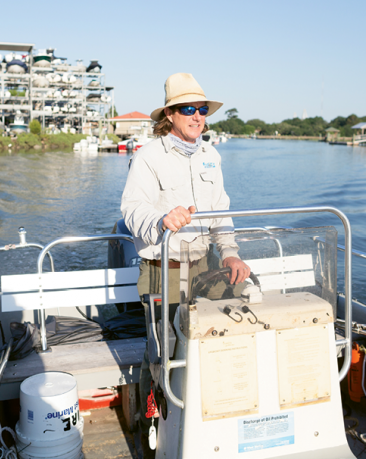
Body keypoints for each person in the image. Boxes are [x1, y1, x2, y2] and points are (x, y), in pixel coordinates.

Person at [120, 72, 251, 456]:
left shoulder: (211, 156)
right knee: (164, 352)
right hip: (166, 266)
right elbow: (132, 209)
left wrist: (229, 251)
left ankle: (205, 416)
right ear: (170, 116)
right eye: (188, 109)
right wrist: (160, 221)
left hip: (206, 265)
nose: (198, 116)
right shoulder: (148, 156)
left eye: (202, 110)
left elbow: (221, 214)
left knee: (214, 337)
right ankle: (154, 426)